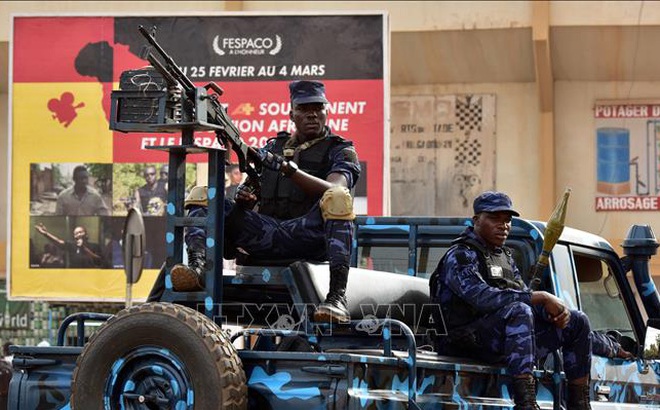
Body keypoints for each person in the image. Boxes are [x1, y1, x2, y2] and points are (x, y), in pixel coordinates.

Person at [150, 80, 360, 323]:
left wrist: (286, 168)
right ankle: (197, 267)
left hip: (309, 237)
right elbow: (249, 190)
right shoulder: (273, 146)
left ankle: (336, 297)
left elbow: (336, 187)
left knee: (338, 198)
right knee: (203, 194)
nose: (312, 114)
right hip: (268, 233)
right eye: (304, 108)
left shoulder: (341, 150)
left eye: (318, 107)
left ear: (327, 110)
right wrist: (244, 203)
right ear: (292, 113)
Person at [429, 191, 632, 410]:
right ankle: (525, 403)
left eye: (507, 220)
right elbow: (482, 297)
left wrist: (607, 345)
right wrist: (542, 297)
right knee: (519, 311)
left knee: (577, 321)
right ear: (476, 220)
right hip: (463, 341)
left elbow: (525, 299)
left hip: (496, 339)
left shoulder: (504, 257)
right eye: (494, 218)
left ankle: (579, 403)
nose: (503, 225)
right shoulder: (460, 255)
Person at [35, 223, 103, 268]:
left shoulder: (95, 246)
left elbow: (99, 261)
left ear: (86, 234)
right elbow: (58, 241)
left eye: (80, 232)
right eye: (76, 233)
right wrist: (46, 234)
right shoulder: (72, 245)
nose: (78, 234)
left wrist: (84, 248)